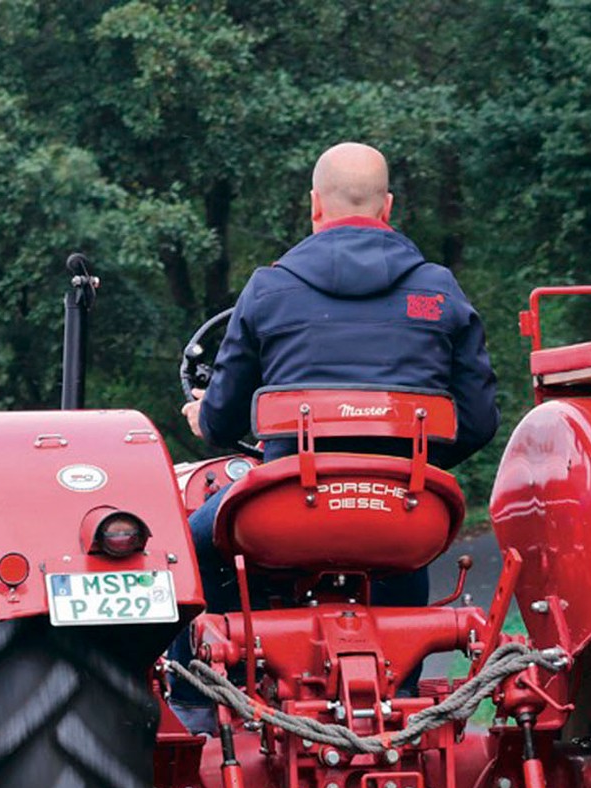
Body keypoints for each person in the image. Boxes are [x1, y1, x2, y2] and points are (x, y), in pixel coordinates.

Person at [168, 142, 500, 731]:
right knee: (397, 533)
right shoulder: (440, 289)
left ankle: (194, 702)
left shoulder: (268, 289)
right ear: (387, 207)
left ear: (315, 207)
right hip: (402, 516)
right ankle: (398, 702)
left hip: (284, 515)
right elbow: (477, 422)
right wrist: (402, 464)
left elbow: (220, 423)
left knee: (184, 548)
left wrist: (203, 417)